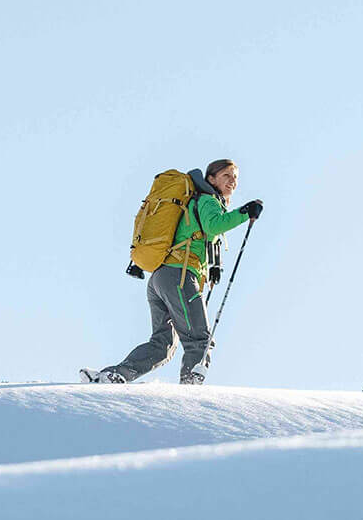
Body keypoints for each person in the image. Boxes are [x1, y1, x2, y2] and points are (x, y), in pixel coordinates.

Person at [83, 159, 262, 386]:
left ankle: (113, 375)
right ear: (211, 179)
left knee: (162, 344)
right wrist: (245, 212)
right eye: (227, 175)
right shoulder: (208, 199)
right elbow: (214, 226)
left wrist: (211, 269)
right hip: (179, 277)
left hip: (160, 278)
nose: (232, 181)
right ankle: (190, 390)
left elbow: (203, 236)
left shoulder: (197, 203)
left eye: (235, 177)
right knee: (199, 339)